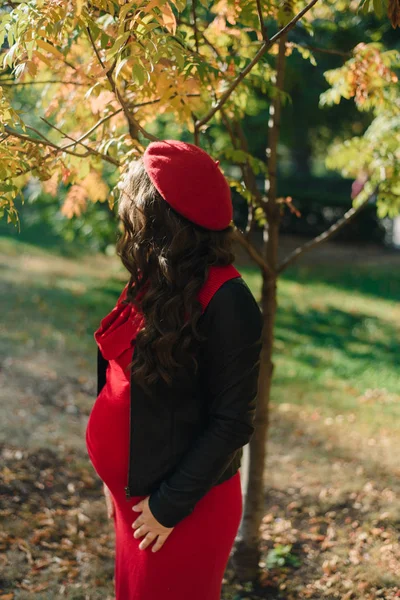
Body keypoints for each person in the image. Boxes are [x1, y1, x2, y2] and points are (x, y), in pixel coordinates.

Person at [85, 139, 263, 600]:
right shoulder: (155, 277)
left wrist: (168, 507)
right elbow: (114, 365)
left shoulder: (229, 300)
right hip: (136, 498)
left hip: (181, 509)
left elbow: (232, 422)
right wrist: (114, 479)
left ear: (161, 215)